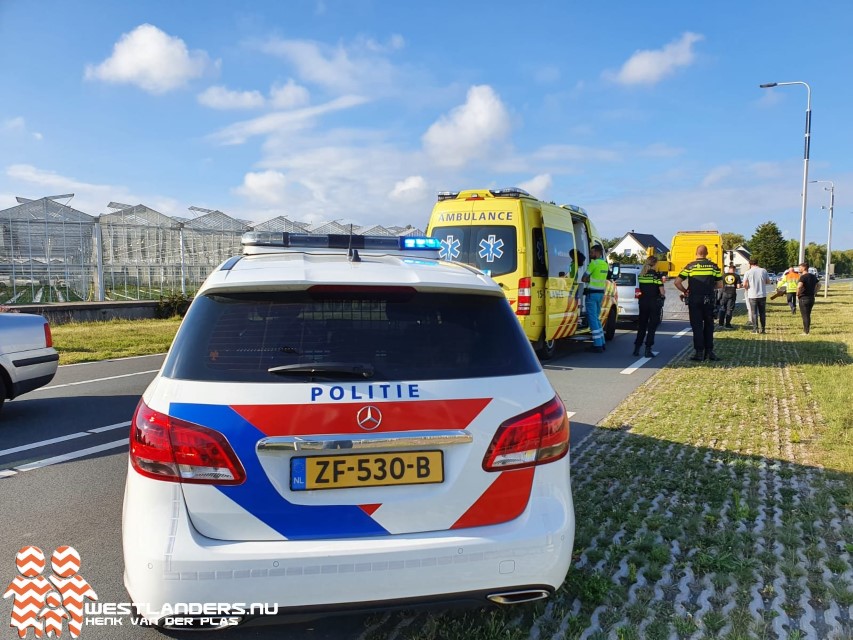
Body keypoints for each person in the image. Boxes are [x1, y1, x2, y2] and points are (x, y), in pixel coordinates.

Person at [674, 244, 723, 361]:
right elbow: (720, 285)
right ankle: (710, 352)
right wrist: (710, 287)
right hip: (709, 300)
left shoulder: (690, 267)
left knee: (697, 327)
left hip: (694, 300)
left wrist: (686, 291)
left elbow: (677, 282)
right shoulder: (713, 267)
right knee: (709, 326)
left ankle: (699, 353)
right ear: (707, 254)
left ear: (696, 253)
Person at [633, 256, 665, 358]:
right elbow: (662, 291)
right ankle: (648, 349)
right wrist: (663, 296)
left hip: (643, 302)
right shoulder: (656, 276)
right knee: (651, 327)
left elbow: (640, 289)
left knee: (642, 326)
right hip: (654, 303)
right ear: (655, 264)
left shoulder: (641, 275)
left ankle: (637, 349)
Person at [582, 242, 609, 353]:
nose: (591, 254)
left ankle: (597, 345)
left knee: (592, 319)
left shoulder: (594, 264)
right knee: (597, 318)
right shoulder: (605, 264)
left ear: (597, 252)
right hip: (600, 294)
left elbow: (584, 278)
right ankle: (602, 342)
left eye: (592, 252)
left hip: (592, 294)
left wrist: (589, 279)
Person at [742, 257, 770, 334]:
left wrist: (747, 287)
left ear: (750, 264)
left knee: (754, 312)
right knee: (762, 313)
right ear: (757, 263)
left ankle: (755, 329)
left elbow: (744, 284)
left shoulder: (748, 272)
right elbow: (768, 281)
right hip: (762, 294)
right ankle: (763, 329)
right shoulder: (763, 271)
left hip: (752, 295)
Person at [797, 261, 819, 334]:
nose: (799, 268)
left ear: (804, 268)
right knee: (808, 314)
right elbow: (819, 285)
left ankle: (806, 332)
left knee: (805, 315)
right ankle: (806, 330)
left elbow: (799, 286)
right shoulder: (813, 276)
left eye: (800, 267)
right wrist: (815, 292)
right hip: (811, 298)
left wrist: (798, 294)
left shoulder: (803, 277)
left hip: (803, 298)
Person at [717, 264, 741, 328]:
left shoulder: (723, 275)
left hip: (724, 293)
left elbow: (719, 285)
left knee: (722, 308)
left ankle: (720, 324)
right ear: (734, 269)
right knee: (729, 309)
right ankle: (727, 324)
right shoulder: (737, 276)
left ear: (729, 269)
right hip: (732, 294)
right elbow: (738, 287)